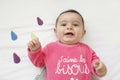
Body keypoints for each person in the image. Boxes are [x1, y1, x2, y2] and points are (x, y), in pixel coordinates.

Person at [27, 9, 107, 80]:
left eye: (75, 25)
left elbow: (97, 67)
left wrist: (100, 69)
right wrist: (35, 50)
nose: (69, 27)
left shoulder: (87, 50)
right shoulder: (50, 48)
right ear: (56, 31)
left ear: (83, 33)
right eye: (64, 24)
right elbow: (38, 62)